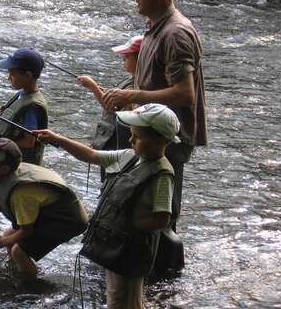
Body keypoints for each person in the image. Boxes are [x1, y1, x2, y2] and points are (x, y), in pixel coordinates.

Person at [34, 103, 179, 309]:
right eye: (131, 134)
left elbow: (162, 218)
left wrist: (131, 223)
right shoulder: (129, 156)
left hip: (132, 251)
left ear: (161, 140)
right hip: (114, 245)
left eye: (138, 136)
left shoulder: (162, 174)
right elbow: (91, 156)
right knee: (117, 294)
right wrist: (58, 139)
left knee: (126, 299)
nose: (131, 140)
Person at [103, 0, 207, 235]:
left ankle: (163, 270)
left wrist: (132, 95)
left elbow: (185, 93)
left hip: (168, 136)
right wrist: (131, 102)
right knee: (144, 204)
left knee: (161, 214)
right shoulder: (155, 27)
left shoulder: (175, 33)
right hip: (149, 130)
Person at [0, 138, 88, 280]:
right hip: (52, 211)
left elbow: (27, 231)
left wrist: (1, 242)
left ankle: (30, 285)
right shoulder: (10, 173)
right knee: (9, 235)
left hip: (67, 221)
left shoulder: (21, 194)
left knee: (18, 251)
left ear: (4, 169)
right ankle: (15, 271)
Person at [77, 35, 143, 180]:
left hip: (118, 143)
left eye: (126, 57)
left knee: (111, 177)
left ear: (141, 61)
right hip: (111, 140)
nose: (123, 60)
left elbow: (111, 107)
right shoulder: (130, 80)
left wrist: (93, 87)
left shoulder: (135, 86)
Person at [0, 48, 48, 165]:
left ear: (27, 75)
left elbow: (29, 142)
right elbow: (7, 116)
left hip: (16, 168)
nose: (8, 78)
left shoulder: (32, 107)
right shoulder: (22, 95)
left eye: (12, 74)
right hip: (4, 164)